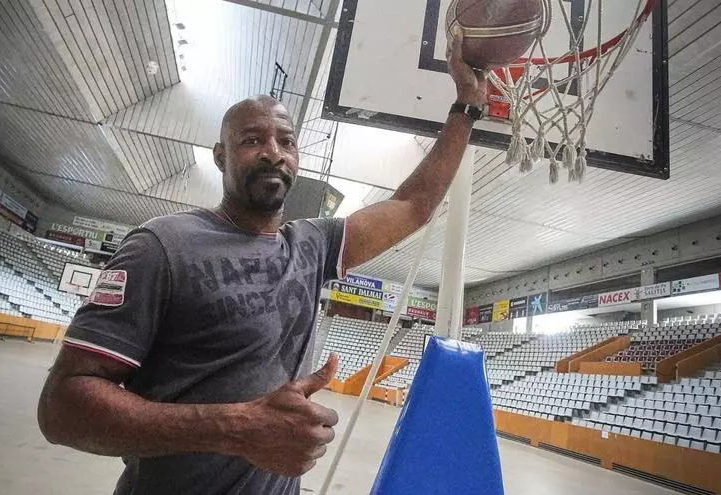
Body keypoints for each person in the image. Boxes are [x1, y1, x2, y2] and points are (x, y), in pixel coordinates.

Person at [37, 32, 487, 495]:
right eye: (253, 139)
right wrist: (236, 428)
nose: (274, 152)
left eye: (286, 141)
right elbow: (61, 408)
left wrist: (466, 108)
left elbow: (412, 204)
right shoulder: (162, 246)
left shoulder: (313, 245)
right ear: (220, 156)